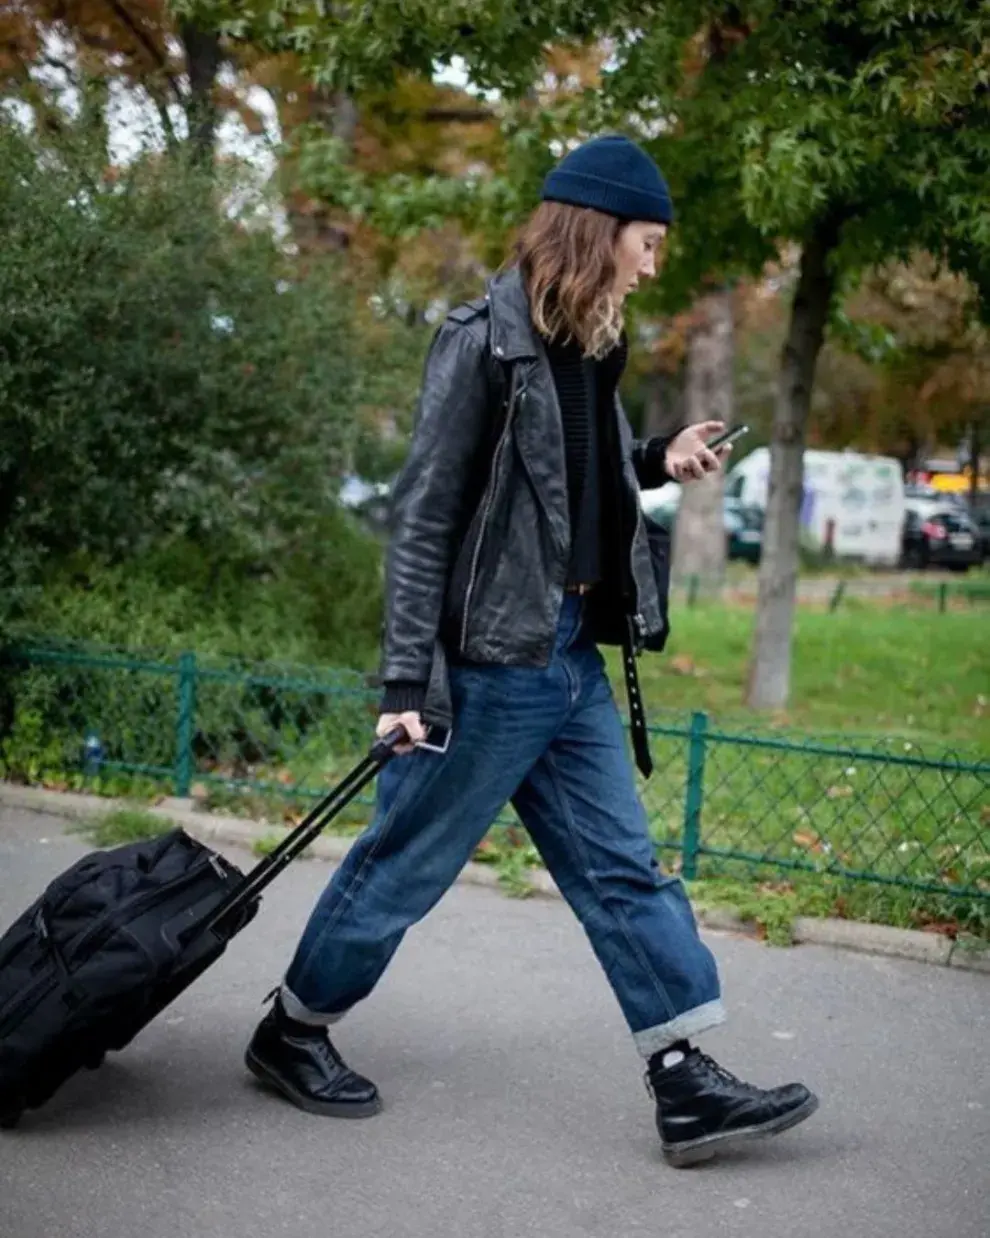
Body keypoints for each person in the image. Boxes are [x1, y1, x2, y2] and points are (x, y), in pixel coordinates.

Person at [245, 134, 819, 1167]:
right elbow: (423, 521)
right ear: (599, 234)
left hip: (569, 658)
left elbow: (571, 478)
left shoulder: (595, 345)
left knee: (624, 868)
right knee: (403, 865)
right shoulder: (479, 344)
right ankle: (292, 1026)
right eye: (647, 244)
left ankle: (684, 1077)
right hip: (484, 669)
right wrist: (404, 683)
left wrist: (655, 455)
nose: (656, 264)